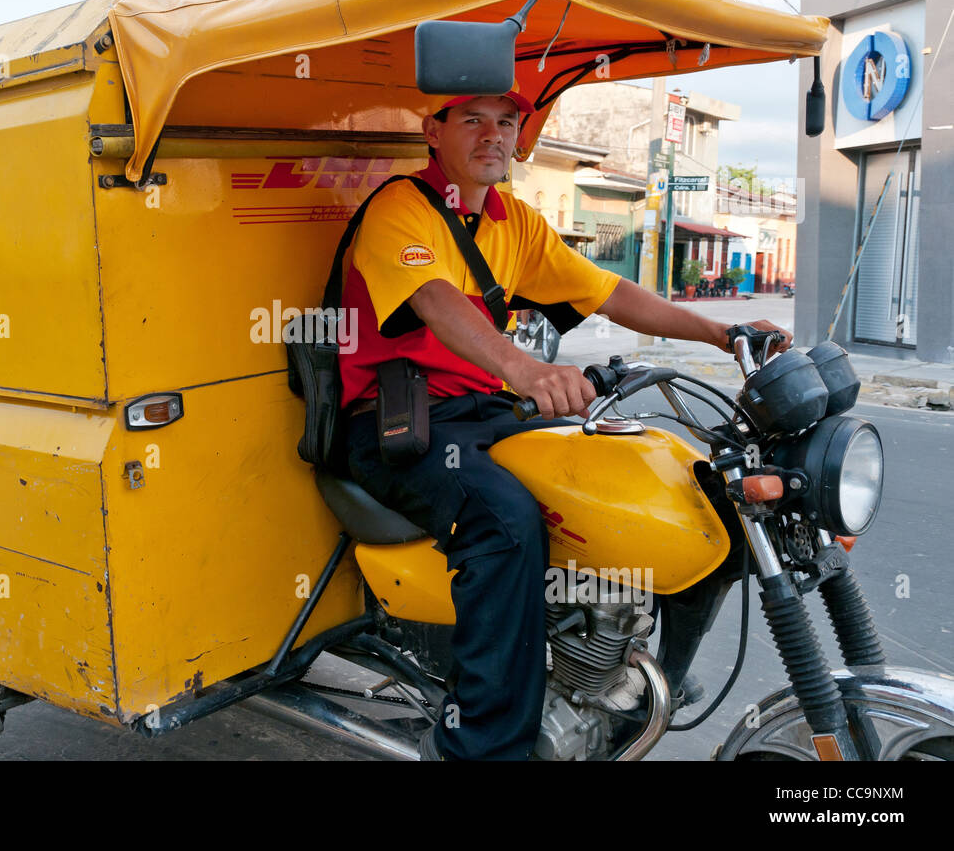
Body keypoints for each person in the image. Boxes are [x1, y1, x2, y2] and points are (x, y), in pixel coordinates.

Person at [338, 87, 790, 761]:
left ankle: (619, 671)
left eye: (506, 122)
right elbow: (434, 300)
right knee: (504, 520)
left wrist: (724, 334)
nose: (493, 135)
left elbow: (611, 292)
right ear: (432, 131)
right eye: (472, 120)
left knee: (641, 483)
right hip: (398, 423)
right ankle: (486, 744)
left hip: (484, 415)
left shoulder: (514, 221)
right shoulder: (400, 208)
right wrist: (522, 367)